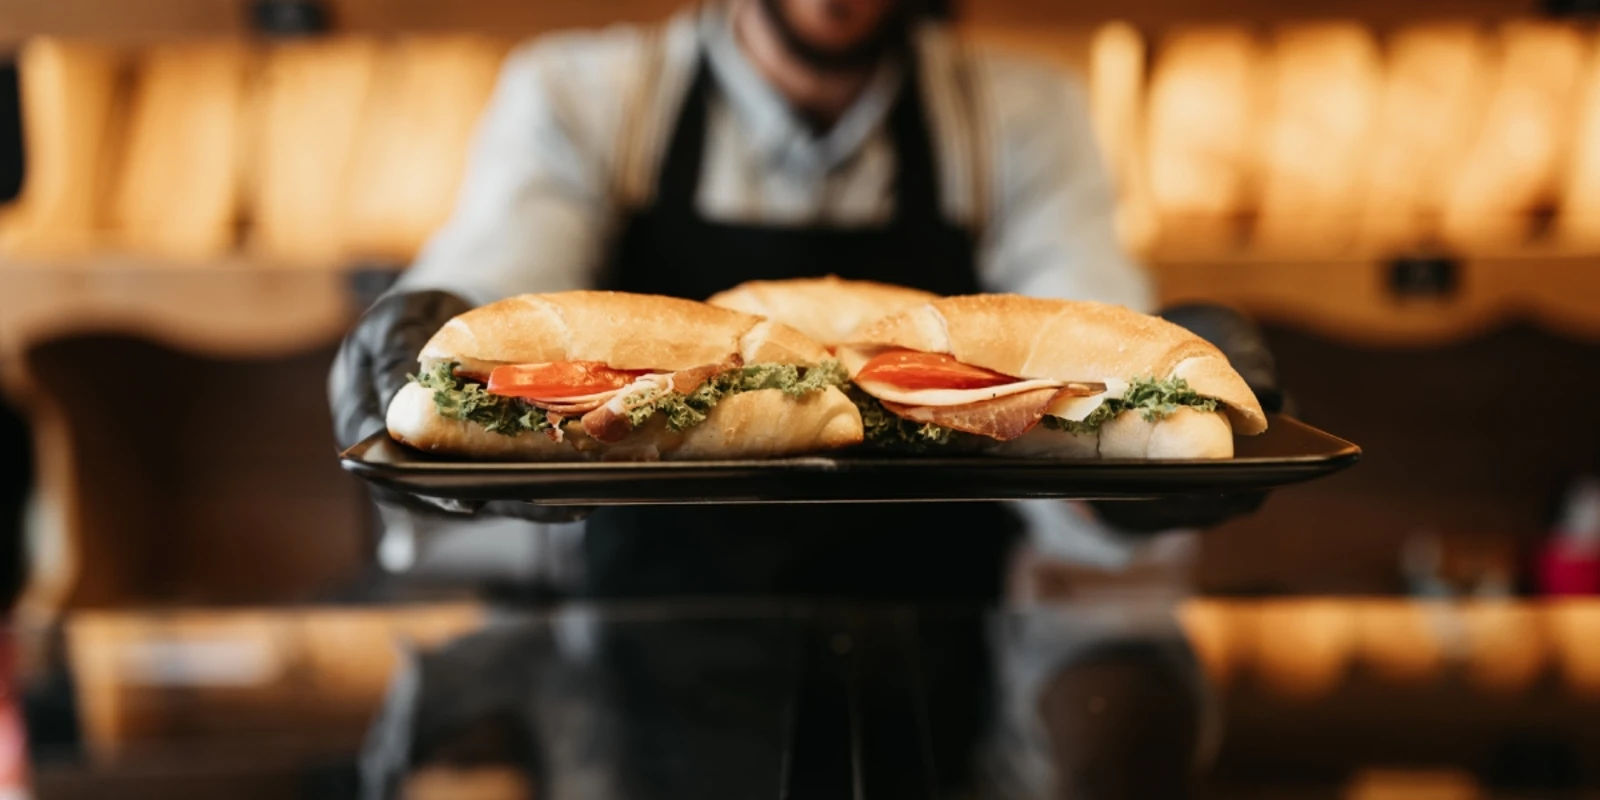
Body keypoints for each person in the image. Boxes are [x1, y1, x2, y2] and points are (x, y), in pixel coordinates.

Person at [331, 0, 1280, 794]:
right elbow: (500, 287)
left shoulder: (1019, 113)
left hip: (948, 659)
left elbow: (1084, 330)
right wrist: (419, 340)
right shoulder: (588, 98)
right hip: (640, 657)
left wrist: (1156, 437)